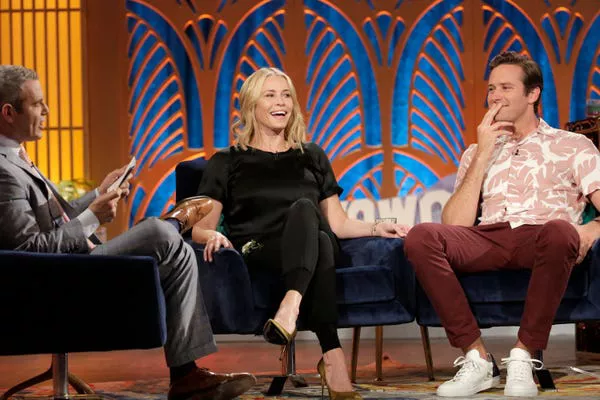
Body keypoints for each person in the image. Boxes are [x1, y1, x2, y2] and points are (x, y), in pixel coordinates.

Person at [0, 64, 256, 400]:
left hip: (71, 264)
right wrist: (94, 216)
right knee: (160, 233)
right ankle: (175, 224)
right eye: (37, 104)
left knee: (175, 251)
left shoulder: (17, 157)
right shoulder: (4, 172)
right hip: (58, 278)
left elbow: (58, 219)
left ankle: (186, 374)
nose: (47, 111)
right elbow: (30, 250)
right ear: (8, 112)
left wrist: (98, 194)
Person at [192, 67, 411, 399]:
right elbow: (199, 227)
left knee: (312, 220)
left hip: (312, 247)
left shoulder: (312, 155)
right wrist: (211, 237)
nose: (281, 103)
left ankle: (290, 306)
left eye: (286, 95)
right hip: (258, 249)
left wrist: (375, 227)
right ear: (251, 104)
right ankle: (332, 355)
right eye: (270, 95)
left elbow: (338, 223)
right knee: (319, 236)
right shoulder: (227, 161)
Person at [404, 51, 600, 397]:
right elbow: (456, 224)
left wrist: (591, 229)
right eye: (492, 88)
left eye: (506, 87)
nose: (495, 96)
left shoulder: (573, 146)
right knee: (422, 236)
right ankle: (477, 358)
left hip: (545, 235)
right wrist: (482, 153)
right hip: (488, 237)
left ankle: (525, 355)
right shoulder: (475, 151)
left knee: (559, 230)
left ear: (532, 94)